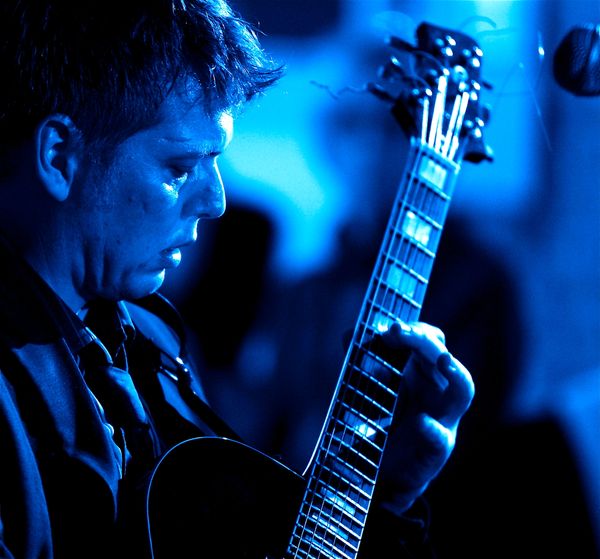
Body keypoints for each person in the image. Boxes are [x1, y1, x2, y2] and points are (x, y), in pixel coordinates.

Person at [0, 1, 475, 558]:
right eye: (181, 168)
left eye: (218, 161)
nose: (217, 201)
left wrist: (383, 498)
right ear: (60, 156)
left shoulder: (156, 347)